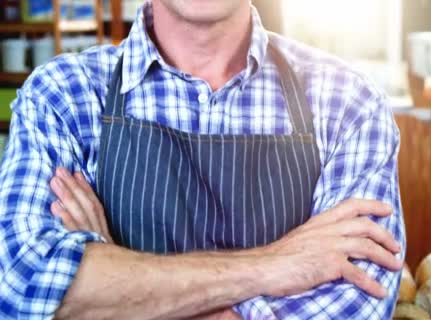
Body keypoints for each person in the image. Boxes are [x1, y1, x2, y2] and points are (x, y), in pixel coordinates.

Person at [0, 0, 405, 318]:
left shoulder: (348, 103)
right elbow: (22, 290)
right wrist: (272, 265)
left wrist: (112, 296)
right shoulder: (64, 96)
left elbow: (360, 303)